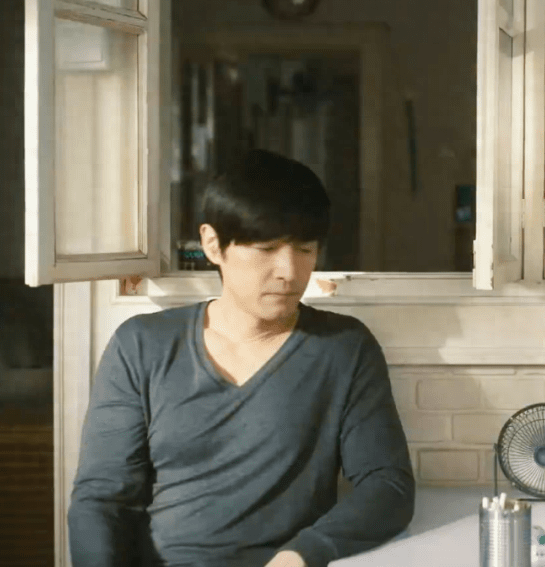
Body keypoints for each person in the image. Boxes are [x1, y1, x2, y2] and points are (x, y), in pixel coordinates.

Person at [68, 149, 415, 567]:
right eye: (266, 249)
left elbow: (387, 487)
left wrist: (303, 555)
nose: (290, 271)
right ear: (213, 244)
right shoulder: (142, 345)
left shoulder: (344, 348)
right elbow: (101, 499)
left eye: (305, 249)